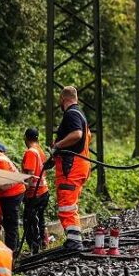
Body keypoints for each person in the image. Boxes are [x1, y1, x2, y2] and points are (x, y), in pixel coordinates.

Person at [50, 86, 91, 251]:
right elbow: (87, 137)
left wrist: (57, 145)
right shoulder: (81, 114)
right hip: (80, 165)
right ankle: (74, 239)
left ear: (62, 99)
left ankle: (74, 242)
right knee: (71, 204)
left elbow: (77, 135)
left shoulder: (71, 114)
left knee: (67, 204)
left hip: (71, 168)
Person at [21, 128, 49, 254]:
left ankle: (35, 249)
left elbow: (30, 176)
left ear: (26, 138)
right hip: (43, 191)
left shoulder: (31, 152)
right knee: (39, 219)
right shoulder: (40, 151)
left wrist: (23, 191)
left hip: (35, 193)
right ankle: (43, 244)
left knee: (31, 221)